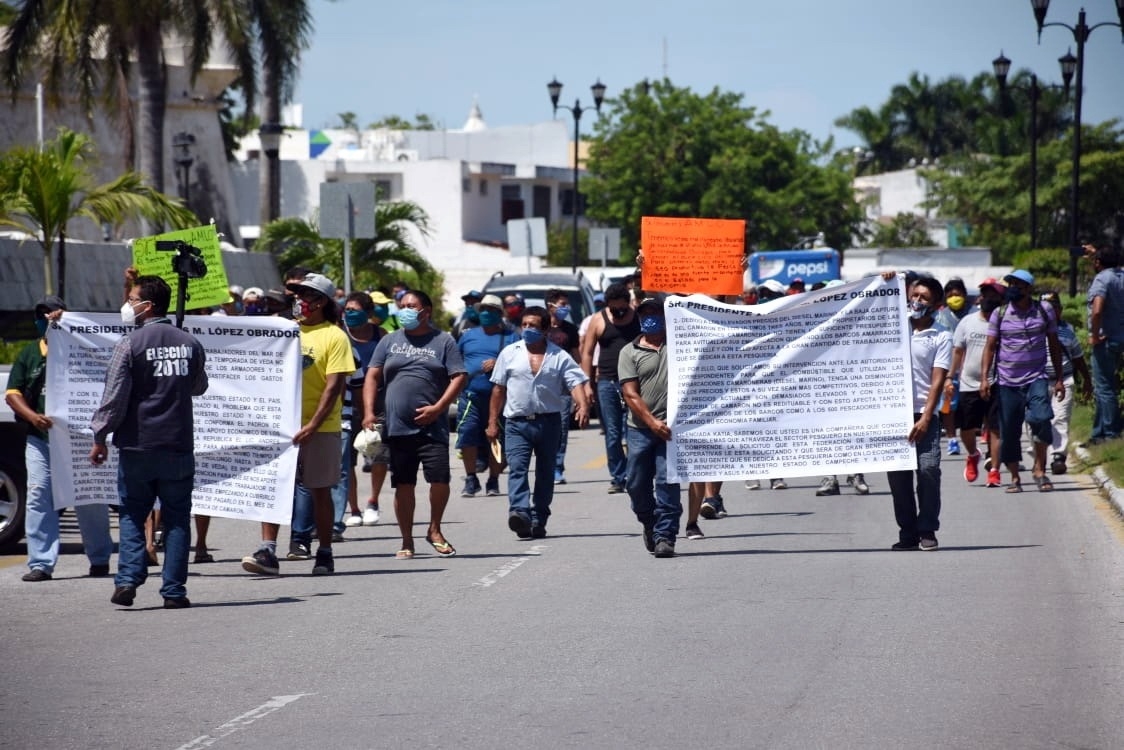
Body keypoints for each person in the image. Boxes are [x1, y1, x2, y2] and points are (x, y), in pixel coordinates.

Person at [89, 276, 208, 607]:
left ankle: (127, 580)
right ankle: (173, 591)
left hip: (137, 446)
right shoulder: (190, 343)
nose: (128, 305)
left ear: (148, 305)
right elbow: (199, 387)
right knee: (177, 518)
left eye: (132, 298)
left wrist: (99, 436)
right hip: (178, 445)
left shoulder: (130, 344)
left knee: (131, 513)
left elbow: (113, 399)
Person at [242, 272, 352, 576]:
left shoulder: (335, 336)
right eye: (298, 295)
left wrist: (313, 425)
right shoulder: (285, 332)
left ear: (321, 302)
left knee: (318, 490)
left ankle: (325, 552)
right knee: (271, 487)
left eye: (306, 295)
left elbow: (333, 387)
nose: (299, 301)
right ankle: (268, 550)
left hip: (321, 428)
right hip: (281, 427)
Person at [6, 297, 114, 582]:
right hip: (41, 439)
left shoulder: (82, 349)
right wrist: (32, 417)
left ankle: (100, 558)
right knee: (39, 495)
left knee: (89, 496)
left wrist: (69, 322)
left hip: (79, 440)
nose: (47, 321)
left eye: (52, 315)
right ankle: (40, 563)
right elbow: (13, 393)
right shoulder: (30, 353)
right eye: (41, 316)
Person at [363, 290, 466, 559]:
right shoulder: (389, 341)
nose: (405, 310)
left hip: (433, 427)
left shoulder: (443, 341)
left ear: (426, 311)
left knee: (440, 480)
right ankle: (406, 540)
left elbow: (458, 377)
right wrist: (368, 412)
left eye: (412, 306)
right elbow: (372, 376)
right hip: (397, 427)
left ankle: (434, 529)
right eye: (403, 305)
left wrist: (439, 407)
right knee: (404, 484)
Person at [488, 305, 590, 539]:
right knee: (517, 468)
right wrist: (492, 422)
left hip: (549, 423)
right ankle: (520, 513)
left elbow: (575, 383)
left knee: (545, 473)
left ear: (545, 329)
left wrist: (582, 405)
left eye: (532, 325)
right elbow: (498, 389)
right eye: (524, 325)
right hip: (516, 423)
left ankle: (538, 518)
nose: (527, 329)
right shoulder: (509, 353)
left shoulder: (559, 356)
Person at [980, 270, 1065, 493]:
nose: (1013, 288)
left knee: (1042, 419)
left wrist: (1058, 379)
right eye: (1010, 284)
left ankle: (1040, 469)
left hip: (1037, 377)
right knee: (1009, 430)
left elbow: (1054, 345)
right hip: (1008, 381)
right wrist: (984, 379)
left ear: (1028, 288)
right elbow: (989, 347)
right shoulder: (1000, 312)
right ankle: (1015, 477)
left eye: (1018, 284)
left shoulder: (1044, 310)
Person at [887, 274, 951, 550]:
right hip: (893, 416)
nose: (917, 301)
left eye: (924, 297)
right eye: (914, 295)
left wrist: (926, 417)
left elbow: (937, 380)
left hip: (923, 415)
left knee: (928, 470)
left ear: (936, 304)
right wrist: (884, 282)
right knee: (898, 479)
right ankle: (907, 532)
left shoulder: (941, 336)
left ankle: (927, 529)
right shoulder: (894, 327)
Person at [619, 297, 679, 557]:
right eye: (645, 314)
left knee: (667, 480)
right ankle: (649, 521)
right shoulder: (628, 352)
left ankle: (665, 535)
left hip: (672, 429)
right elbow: (630, 394)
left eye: (655, 312)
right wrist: (652, 422)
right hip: (641, 429)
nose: (650, 318)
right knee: (635, 483)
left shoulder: (678, 345)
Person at [580, 282, 641, 493]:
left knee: (634, 431)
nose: (619, 312)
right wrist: (587, 384)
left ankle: (635, 474)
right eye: (614, 308)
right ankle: (618, 476)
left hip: (635, 381)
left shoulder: (638, 317)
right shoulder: (598, 320)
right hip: (606, 381)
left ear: (628, 302)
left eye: (622, 307)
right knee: (613, 433)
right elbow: (587, 353)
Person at [456, 294, 517, 497]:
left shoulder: (511, 337)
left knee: (496, 438)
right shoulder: (468, 336)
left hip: (500, 398)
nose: (485, 314)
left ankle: (493, 479)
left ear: (499, 314)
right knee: (467, 435)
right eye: (483, 310)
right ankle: (471, 478)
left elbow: (520, 364)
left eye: (491, 310)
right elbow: (455, 362)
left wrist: (498, 361)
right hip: (471, 396)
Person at [948, 278, 1006, 487]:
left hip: (997, 382)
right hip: (968, 383)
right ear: (980, 296)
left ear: (1000, 299)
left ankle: (994, 471)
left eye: (994, 296)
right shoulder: (967, 322)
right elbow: (957, 351)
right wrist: (949, 377)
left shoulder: (1004, 322)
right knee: (966, 428)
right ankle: (973, 454)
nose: (989, 299)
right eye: (986, 294)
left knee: (995, 429)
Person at [335, 292, 384, 532]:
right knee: (347, 462)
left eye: (355, 309)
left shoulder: (381, 335)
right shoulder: (340, 334)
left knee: (378, 453)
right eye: (347, 309)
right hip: (347, 405)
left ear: (368, 312)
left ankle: (373, 501)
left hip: (377, 404)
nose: (349, 313)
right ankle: (353, 509)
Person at [1038, 292, 1091, 473]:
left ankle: (1058, 457)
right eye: (1046, 308)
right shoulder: (1033, 329)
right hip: (1038, 381)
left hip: (1065, 379)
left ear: (1060, 310)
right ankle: (1039, 457)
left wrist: (1087, 379)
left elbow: (1077, 356)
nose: (1050, 312)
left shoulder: (1067, 330)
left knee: (1060, 418)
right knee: (1037, 420)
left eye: (1054, 308)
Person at [1085, 245, 1124, 444]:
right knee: (1104, 386)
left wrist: (1094, 335)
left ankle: (1110, 433)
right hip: (1119, 338)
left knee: (1105, 387)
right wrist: (1095, 253)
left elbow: (1097, 309)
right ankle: (1098, 433)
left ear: (1099, 263)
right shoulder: (1121, 275)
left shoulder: (1102, 278)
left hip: (1105, 340)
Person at [545, 288, 582, 485]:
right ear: (550, 306)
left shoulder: (570, 330)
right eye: (562, 304)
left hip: (563, 388)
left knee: (561, 429)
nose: (565, 308)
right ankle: (546, 465)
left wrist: (581, 386)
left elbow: (578, 358)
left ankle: (557, 468)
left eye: (567, 305)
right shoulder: (539, 328)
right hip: (542, 386)